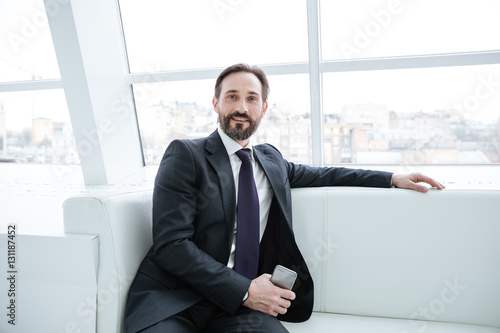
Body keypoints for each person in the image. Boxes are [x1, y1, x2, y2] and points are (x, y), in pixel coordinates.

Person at [125, 63, 445, 333]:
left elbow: (325, 174)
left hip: (236, 308)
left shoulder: (271, 161)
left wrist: (391, 178)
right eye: (232, 96)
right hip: (177, 300)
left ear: (263, 108)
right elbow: (171, 247)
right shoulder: (186, 155)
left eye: (251, 98)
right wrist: (246, 289)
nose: (241, 107)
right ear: (216, 103)